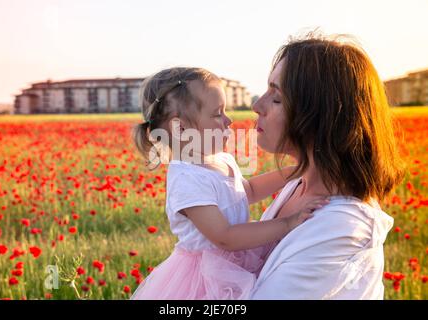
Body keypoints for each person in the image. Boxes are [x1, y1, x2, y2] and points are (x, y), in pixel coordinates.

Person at [131, 67, 329, 299]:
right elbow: (225, 236)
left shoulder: (220, 160)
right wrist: (287, 224)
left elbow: (248, 191)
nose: (228, 120)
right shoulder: (186, 180)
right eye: (217, 114)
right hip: (205, 279)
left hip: (233, 261)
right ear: (180, 127)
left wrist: (293, 171)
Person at [249, 32, 405, 299]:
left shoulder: (342, 227)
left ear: (319, 116)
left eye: (276, 98)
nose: (256, 106)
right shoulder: (300, 184)